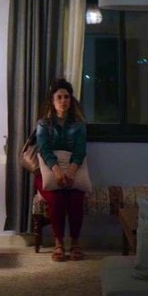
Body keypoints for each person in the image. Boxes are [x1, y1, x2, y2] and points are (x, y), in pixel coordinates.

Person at [35, 78, 88, 262]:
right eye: (59, 97)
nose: (63, 101)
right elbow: (44, 150)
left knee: (76, 197)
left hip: (73, 170)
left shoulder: (79, 125)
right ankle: (59, 243)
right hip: (49, 173)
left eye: (66, 97)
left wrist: (71, 172)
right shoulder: (43, 124)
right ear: (52, 100)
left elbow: (80, 151)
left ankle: (75, 243)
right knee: (57, 199)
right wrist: (57, 171)